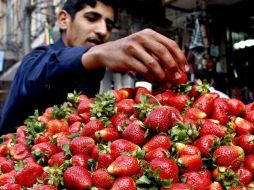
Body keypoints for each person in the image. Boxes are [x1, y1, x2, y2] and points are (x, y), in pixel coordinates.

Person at [0, 0, 189, 135]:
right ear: (64, 20)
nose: (103, 31)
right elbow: (36, 72)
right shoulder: (35, 59)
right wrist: (97, 53)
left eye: (109, 24)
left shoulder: (94, 71)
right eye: (91, 18)